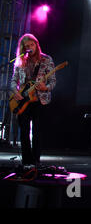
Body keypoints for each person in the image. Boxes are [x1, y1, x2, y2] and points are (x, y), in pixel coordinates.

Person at [10, 34, 56, 169]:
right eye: (26, 46)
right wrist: (15, 91)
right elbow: (14, 80)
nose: (30, 48)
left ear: (36, 44)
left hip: (39, 100)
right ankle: (26, 161)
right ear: (23, 48)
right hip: (23, 100)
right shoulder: (20, 60)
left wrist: (46, 87)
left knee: (37, 131)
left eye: (32, 45)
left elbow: (53, 81)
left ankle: (35, 161)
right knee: (23, 131)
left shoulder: (46, 60)